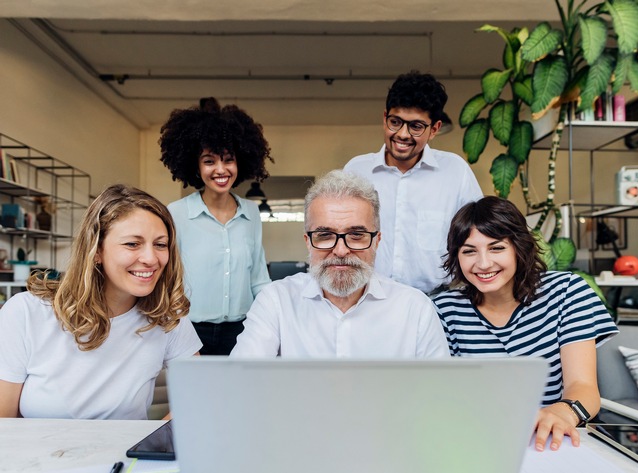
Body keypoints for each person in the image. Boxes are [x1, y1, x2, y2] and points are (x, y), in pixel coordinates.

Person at [0, 184, 202, 419]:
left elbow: (199, 394)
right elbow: (4, 425)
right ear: (96, 251)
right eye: (132, 244)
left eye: (160, 244)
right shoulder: (25, 312)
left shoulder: (167, 316)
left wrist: (156, 442)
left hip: (124, 456)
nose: (150, 258)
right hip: (39, 454)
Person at [433, 196, 618, 452]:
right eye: (469, 251)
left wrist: (562, 413)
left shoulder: (568, 292)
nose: (483, 263)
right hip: (475, 442)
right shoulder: (443, 309)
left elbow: (583, 386)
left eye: (497, 248)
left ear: (519, 247)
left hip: (550, 442)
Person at [231, 170, 449, 358]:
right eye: (325, 234)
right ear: (308, 242)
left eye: (356, 234)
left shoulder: (415, 308)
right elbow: (241, 381)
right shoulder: (276, 301)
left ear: (377, 241)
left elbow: (439, 395)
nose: (341, 250)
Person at [344, 71, 483, 294]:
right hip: (367, 299)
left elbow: (479, 235)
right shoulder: (356, 171)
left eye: (416, 126)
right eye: (395, 122)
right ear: (384, 117)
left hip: (437, 301)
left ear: (434, 129)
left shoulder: (455, 172)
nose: (402, 134)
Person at [159, 97, 273, 355]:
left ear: (240, 161)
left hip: (243, 331)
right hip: (189, 330)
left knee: (240, 396)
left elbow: (259, 280)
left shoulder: (252, 213)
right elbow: (166, 281)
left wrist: (271, 326)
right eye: (209, 161)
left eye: (228, 159)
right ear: (196, 166)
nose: (220, 169)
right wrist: (181, 336)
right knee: (193, 396)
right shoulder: (175, 214)